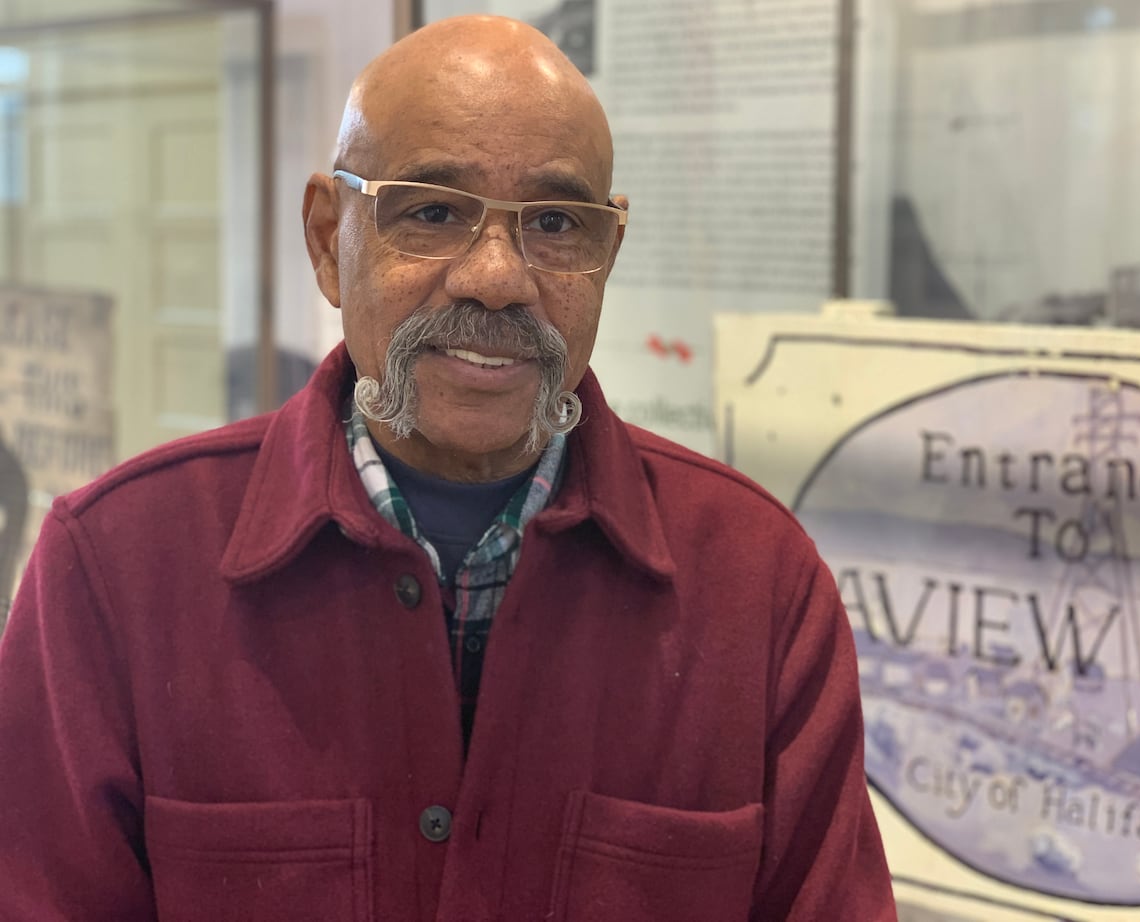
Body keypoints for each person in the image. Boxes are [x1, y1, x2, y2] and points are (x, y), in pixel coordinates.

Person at [0, 15, 895, 921]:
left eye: (554, 223)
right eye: (430, 211)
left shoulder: (758, 585)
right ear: (326, 239)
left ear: (606, 255)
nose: (497, 278)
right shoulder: (116, 569)